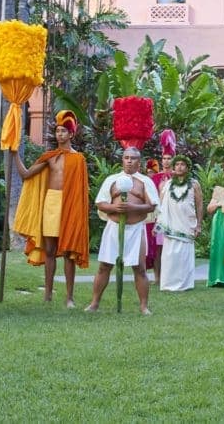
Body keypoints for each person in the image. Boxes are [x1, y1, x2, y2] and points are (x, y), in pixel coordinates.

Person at [12, 110, 89, 307]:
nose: (60, 134)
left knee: (69, 251)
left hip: (70, 204)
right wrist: (14, 154)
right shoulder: (49, 157)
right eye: (58, 131)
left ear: (71, 134)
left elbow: (81, 191)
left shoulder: (79, 159)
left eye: (64, 131)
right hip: (51, 203)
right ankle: (47, 294)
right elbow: (26, 175)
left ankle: (69, 297)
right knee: (50, 249)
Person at [86, 147, 159, 314]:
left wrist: (133, 207)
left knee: (139, 268)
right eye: (126, 157)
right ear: (122, 160)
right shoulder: (112, 180)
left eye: (133, 158)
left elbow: (152, 205)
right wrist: (114, 207)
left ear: (139, 162)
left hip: (136, 229)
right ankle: (94, 303)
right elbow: (100, 203)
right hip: (114, 227)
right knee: (104, 266)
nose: (129, 161)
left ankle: (143, 306)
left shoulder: (145, 182)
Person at [156, 154, 203, 291]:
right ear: (173, 167)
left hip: (187, 224)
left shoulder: (194, 184)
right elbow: (160, 206)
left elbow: (199, 205)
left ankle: (185, 284)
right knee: (169, 255)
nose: (179, 167)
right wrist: (157, 224)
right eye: (177, 164)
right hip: (170, 225)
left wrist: (199, 225)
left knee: (184, 255)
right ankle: (168, 283)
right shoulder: (167, 184)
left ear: (187, 168)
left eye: (182, 164)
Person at [147, 128, 176, 285]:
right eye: (164, 158)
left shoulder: (178, 178)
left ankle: (170, 276)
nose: (166, 161)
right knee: (158, 247)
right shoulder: (155, 178)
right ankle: (157, 277)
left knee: (171, 246)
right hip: (159, 217)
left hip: (174, 216)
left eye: (169, 158)